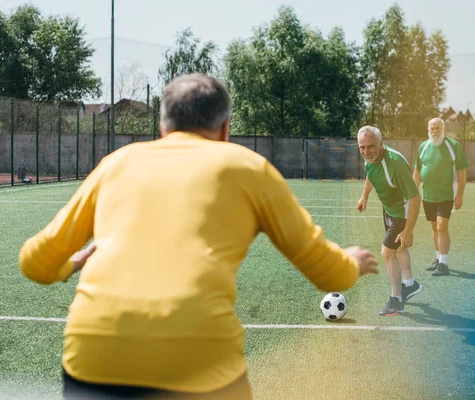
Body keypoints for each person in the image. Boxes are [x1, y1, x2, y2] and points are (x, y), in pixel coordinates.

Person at [19, 73, 379, 399]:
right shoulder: (250, 168)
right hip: (202, 364)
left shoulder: (116, 163)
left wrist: (74, 262)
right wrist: (352, 263)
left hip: (94, 357)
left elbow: (35, 263)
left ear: (163, 128)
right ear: (225, 128)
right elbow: (325, 272)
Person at [355, 126, 422, 316]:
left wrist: (408, 230)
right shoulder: (370, 159)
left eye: (370, 147)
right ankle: (410, 284)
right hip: (389, 209)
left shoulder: (395, 163)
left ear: (380, 144)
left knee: (387, 253)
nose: (366, 152)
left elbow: (415, 198)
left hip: (402, 210)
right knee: (399, 249)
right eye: (362, 147)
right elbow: (371, 174)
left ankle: (396, 299)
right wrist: (364, 197)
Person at [413, 117, 469, 276]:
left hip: (446, 195)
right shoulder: (423, 147)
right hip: (428, 195)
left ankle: (443, 264)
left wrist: (460, 193)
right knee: (433, 227)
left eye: (438, 128)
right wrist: (413, 192)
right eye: (432, 128)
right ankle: (438, 259)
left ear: (443, 129)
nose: (435, 131)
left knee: (441, 226)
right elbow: (417, 171)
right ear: (428, 130)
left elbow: (462, 170)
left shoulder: (453, 146)